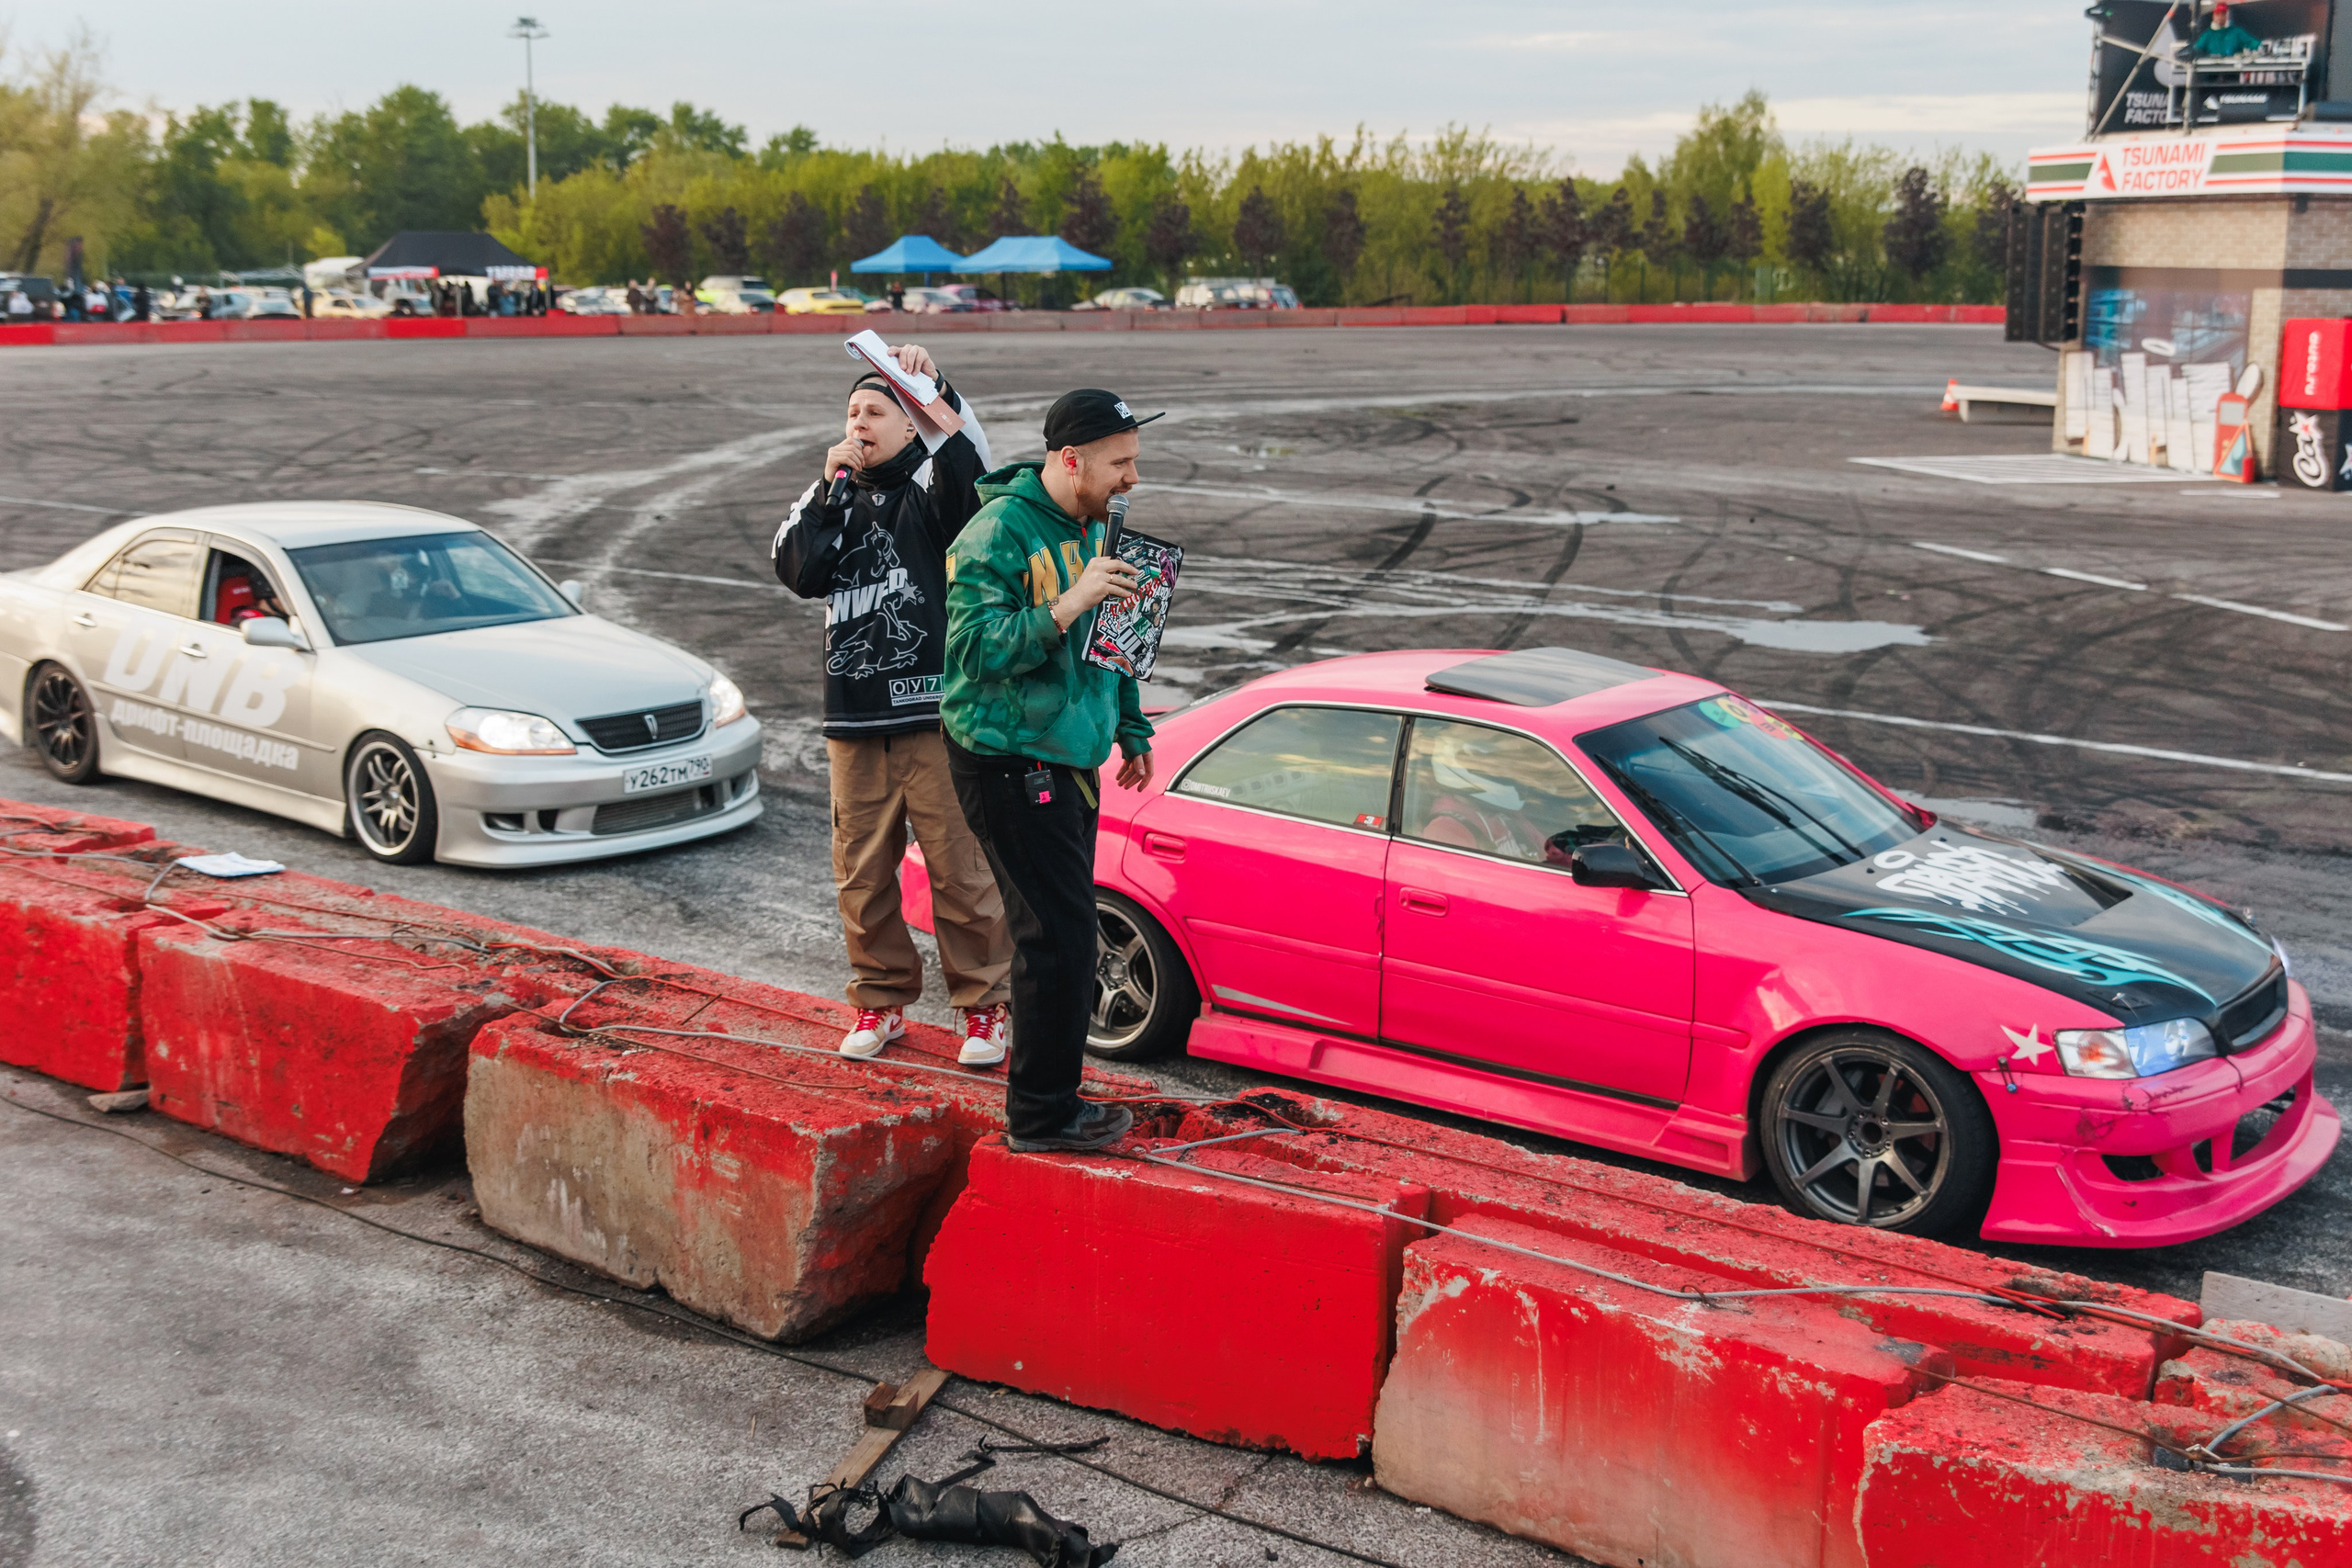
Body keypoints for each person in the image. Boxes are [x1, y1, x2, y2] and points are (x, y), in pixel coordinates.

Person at [774, 342, 1016, 1066]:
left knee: (961, 871)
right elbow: (797, 567)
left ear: (911, 424)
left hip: (935, 717)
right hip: (854, 720)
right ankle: (880, 1001)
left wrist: (934, 386)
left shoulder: (933, 489)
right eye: (852, 411)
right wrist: (828, 490)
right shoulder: (829, 497)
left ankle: (985, 1008)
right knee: (862, 872)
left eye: (876, 410)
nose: (859, 422)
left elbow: (973, 469)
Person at [941, 389, 1159, 1152]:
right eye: (1120, 463)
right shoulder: (996, 531)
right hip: (1008, 759)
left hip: (1071, 758)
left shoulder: (1097, 525)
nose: (1133, 478)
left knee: (1067, 933)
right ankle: (1041, 1115)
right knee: (1056, 937)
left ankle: (1054, 1097)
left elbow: (1113, 638)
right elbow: (972, 651)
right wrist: (1067, 603)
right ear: (1071, 461)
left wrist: (1130, 726)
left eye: (1135, 460)